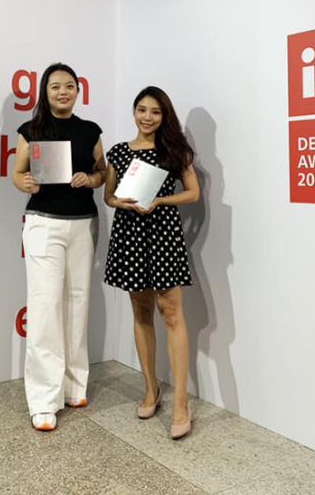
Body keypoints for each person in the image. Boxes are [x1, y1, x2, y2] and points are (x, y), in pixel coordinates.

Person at [11, 62, 106, 431]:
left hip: (83, 223)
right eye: (55, 86)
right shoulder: (31, 129)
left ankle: (74, 386)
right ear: (45, 92)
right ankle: (43, 400)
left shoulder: (90, 130)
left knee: (78, 302)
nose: (63, 92)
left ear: (78, 91)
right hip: (44, 223)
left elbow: (102, 172)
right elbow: (17, 173)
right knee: (45, 305)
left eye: (69, 86)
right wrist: (26, 183)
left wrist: (91, 179)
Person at [103, 86, 200, 440]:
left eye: (155, 112)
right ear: (133, 112)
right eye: (142, 110)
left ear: (164, 116)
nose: (147, 117)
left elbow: (193, 193)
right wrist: (121, 202)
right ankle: (150, 390)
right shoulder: (118, 152)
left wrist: (160, 201)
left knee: (171, 314)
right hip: (130, 235)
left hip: (163, 235)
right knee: (141, 312)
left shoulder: (174, 150)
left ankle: (181, 403)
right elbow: (109, 196)